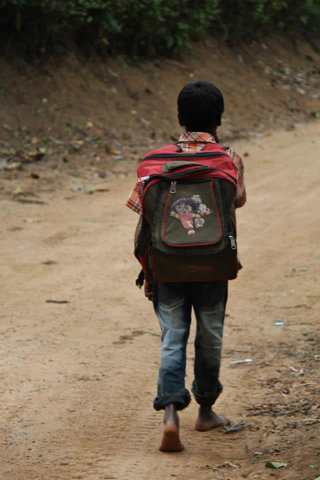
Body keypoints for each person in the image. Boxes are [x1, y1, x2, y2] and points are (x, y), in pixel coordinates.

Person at [126, 81, 246, 452]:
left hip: (167, 266)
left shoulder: (152, 162)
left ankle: (170, 415)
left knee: (172, 337)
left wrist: (147, 272)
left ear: (179, 117)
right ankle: (207, 411)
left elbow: (143, 216)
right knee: (209, 336)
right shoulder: (229, 160)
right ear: (219, 120)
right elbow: (237, 201)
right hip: (212, 265)